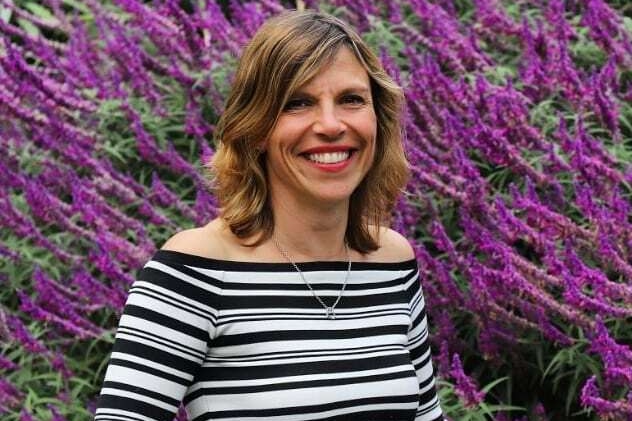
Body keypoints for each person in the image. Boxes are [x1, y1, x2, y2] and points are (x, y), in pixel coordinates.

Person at [95, 9, 444, 421]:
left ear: (378, 119)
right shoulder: (197, 269)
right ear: (256, 128)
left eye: (351, 100)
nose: (331, 125)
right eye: (297, 103)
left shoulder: (390, 261)